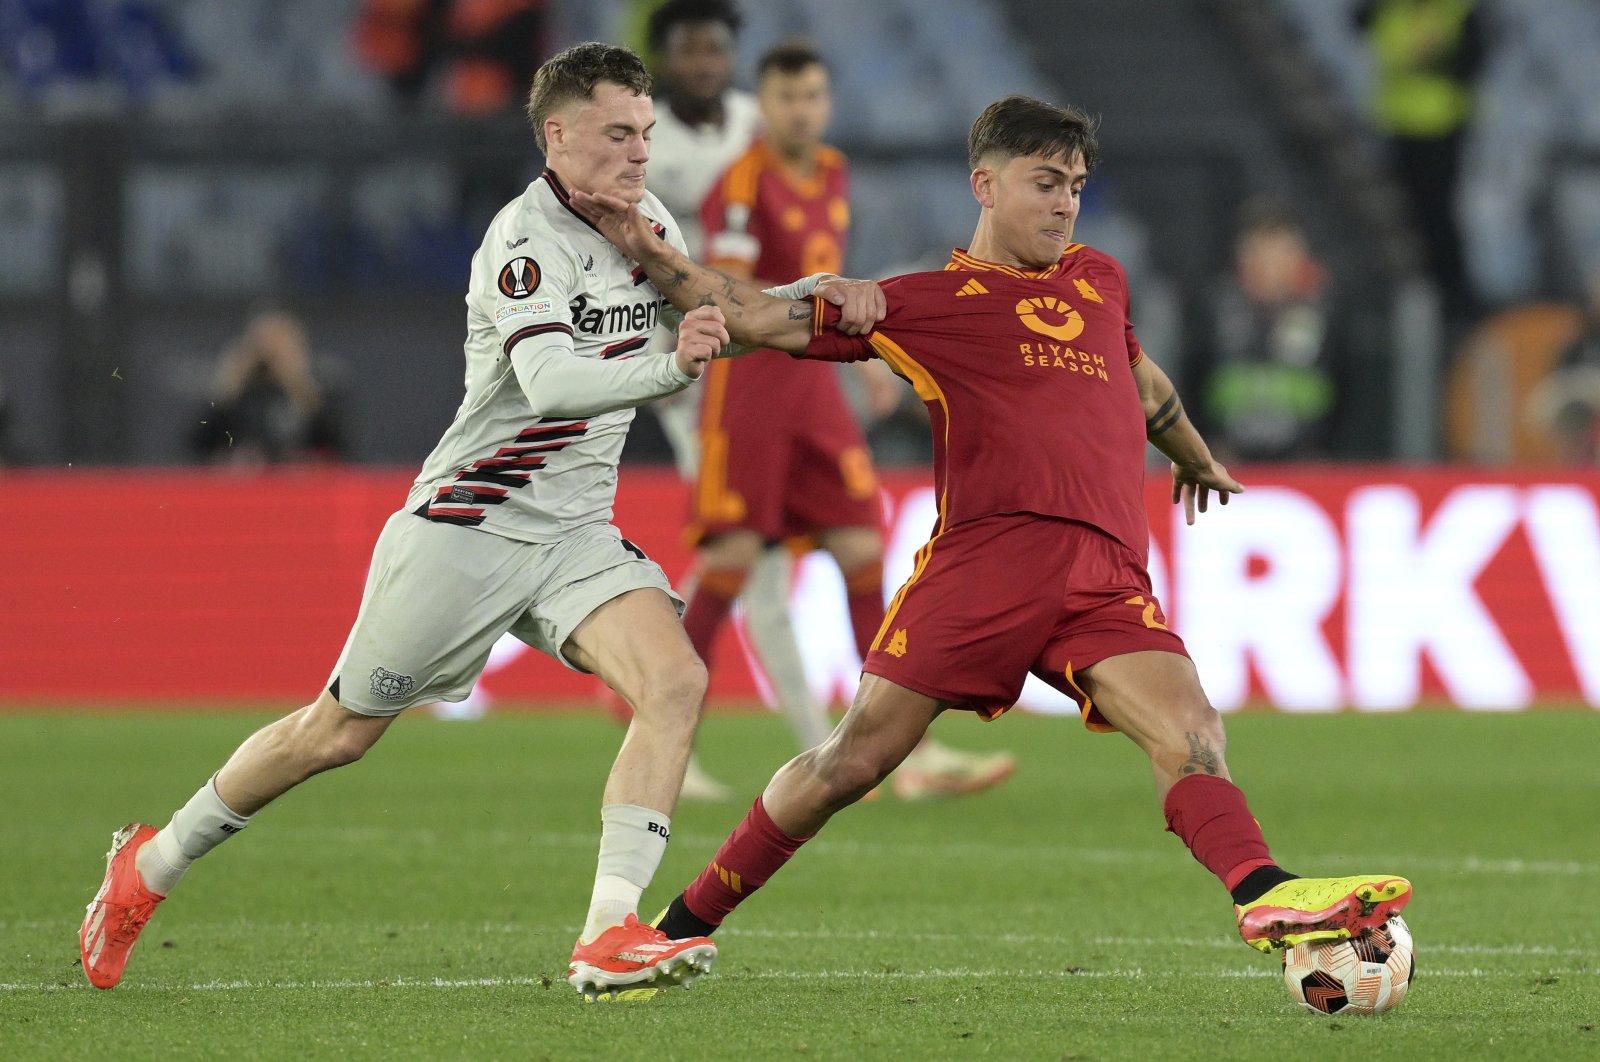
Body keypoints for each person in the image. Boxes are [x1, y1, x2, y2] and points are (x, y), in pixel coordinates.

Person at [79, 41, 866, 1003]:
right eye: (618, 134)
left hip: (575, 530)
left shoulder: (649, 224)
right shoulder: (520, 242)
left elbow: (727, 309)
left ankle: (607, 931)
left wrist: (845, 310)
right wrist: (674, 366)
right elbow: (552, 382)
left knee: (675, 680)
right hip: (469, 525)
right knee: (334, 735)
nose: (638, 154)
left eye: (646, 134)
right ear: (558, 134)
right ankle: (148, 869)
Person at [573, 94, 1412, 974]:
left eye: (1077, 187)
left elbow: (1137, 377)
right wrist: (641, 244)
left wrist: (1193, 455)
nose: (1064, 205)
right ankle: (677, 921)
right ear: (985, 183)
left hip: (1104, 573)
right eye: (1045, 183)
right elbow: (747, 314)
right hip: (985, 571)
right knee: (850, 764)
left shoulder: (1099, 279)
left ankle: (1263, 889)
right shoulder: (924, 304)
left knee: (1193, 731)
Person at [686, 38, 1014, 799]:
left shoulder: (834, 174)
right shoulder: (740, 182)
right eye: (787, 98)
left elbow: (829, 289)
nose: (801, 110)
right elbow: (727, 288)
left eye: (812, 97)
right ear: (761, 107)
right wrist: (822, 304)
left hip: (812, 389)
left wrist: (865, 356)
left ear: (827, 104)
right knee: (730, 562)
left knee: (863, 547)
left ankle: (901, 752)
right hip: (749, 395)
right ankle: (658, 726)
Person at [1203, 201, 1337, 462]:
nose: (1270, 265)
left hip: (1306, 463)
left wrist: (1326, 453)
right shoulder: (1213, 310)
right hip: (1226, 460)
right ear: (1242, 257)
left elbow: (1348, 392)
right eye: (1260, 253)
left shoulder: (1327, 314)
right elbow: (1189, 384)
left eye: (1280, 253)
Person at [189, 308, 345, 465]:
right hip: (244, 481)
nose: (272, 352)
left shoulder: (320, 389)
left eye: (280, 343)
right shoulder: (240, 393)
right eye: (263, 342)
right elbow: (199, 442)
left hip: (298, 482)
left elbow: (338, 445)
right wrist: (227, 387)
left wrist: (299, 384)